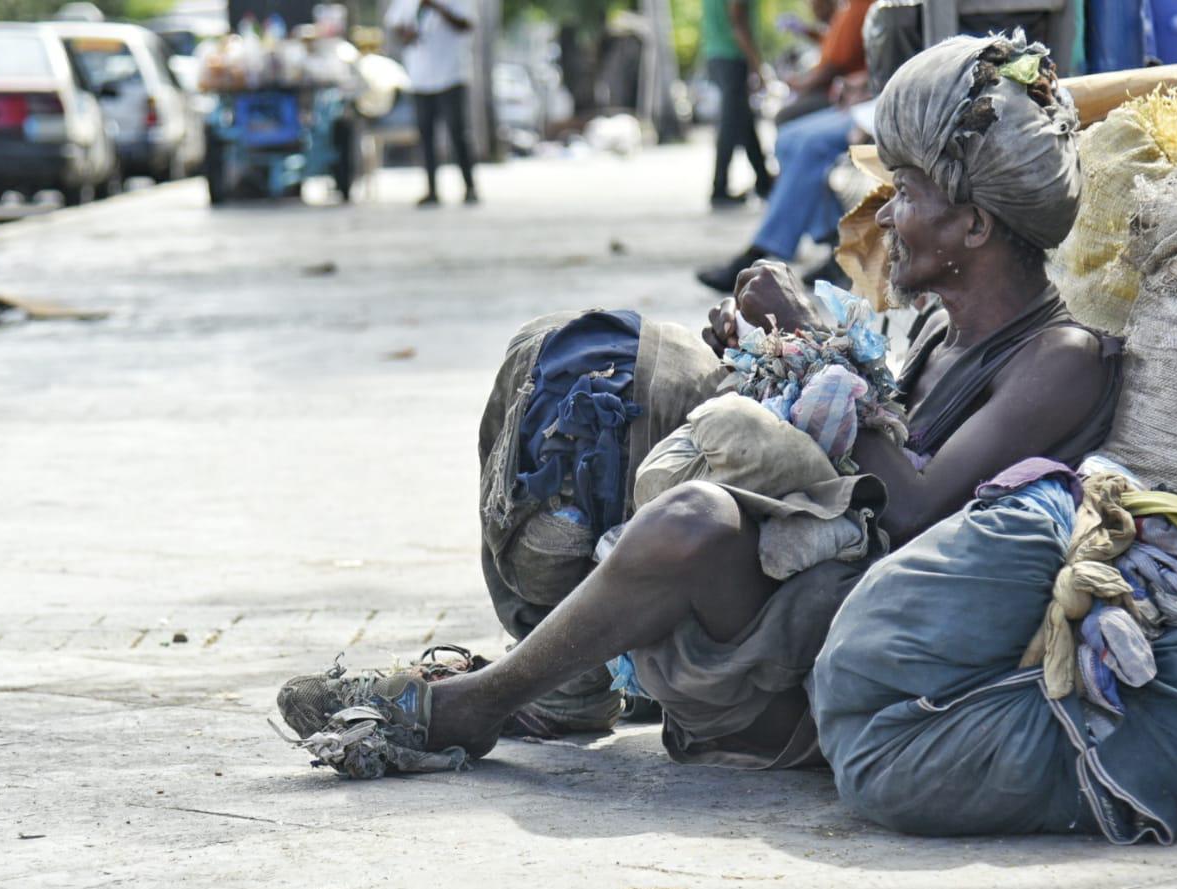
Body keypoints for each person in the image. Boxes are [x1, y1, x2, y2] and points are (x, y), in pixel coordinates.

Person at [276, 33, 1123, 776]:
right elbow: (861, 450)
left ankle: (476, 705)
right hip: (810, 601)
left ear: (974, 228)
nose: (885, 215)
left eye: (904, 192)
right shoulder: (944, 325)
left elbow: (910, 509)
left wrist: (816, 351)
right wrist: (764, 360)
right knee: (607, 367)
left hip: (860, 662)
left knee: (694, 520)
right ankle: (563, 683)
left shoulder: (1061, 359)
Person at [697, 0, 875, 293]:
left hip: (870, 104)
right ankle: (838, 243)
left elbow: (835, 63)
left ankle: (761, 251)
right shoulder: (851, 9)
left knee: (800, 139)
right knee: (790, 137)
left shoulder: (862, 6)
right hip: (859, 99)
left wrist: (794, 82)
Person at [384, 0, 478, 207]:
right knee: (425, 136)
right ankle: (432, 190)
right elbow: (395, 25)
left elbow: (467, 25)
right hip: (420, 77)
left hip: (452, 74)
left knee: (458, 133)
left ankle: (470, 187)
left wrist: (437, 7)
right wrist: (405, 35)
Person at [703, 0, 775, 208]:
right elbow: (738, 21)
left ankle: (763, 182)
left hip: (716, 53)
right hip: (731, 54)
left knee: (743, 121)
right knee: (731, 123)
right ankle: (719, 187)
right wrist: (757, 64)